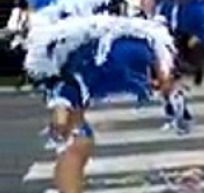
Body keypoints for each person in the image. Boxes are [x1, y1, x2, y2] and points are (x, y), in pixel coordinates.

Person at [25, 15, 176, 193]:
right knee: (75, 148)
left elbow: (62, 114)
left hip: (77, 108)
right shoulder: (77, 76)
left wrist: (60, 127)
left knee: (75, 148)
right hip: (78, 105)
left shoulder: (77, 75)